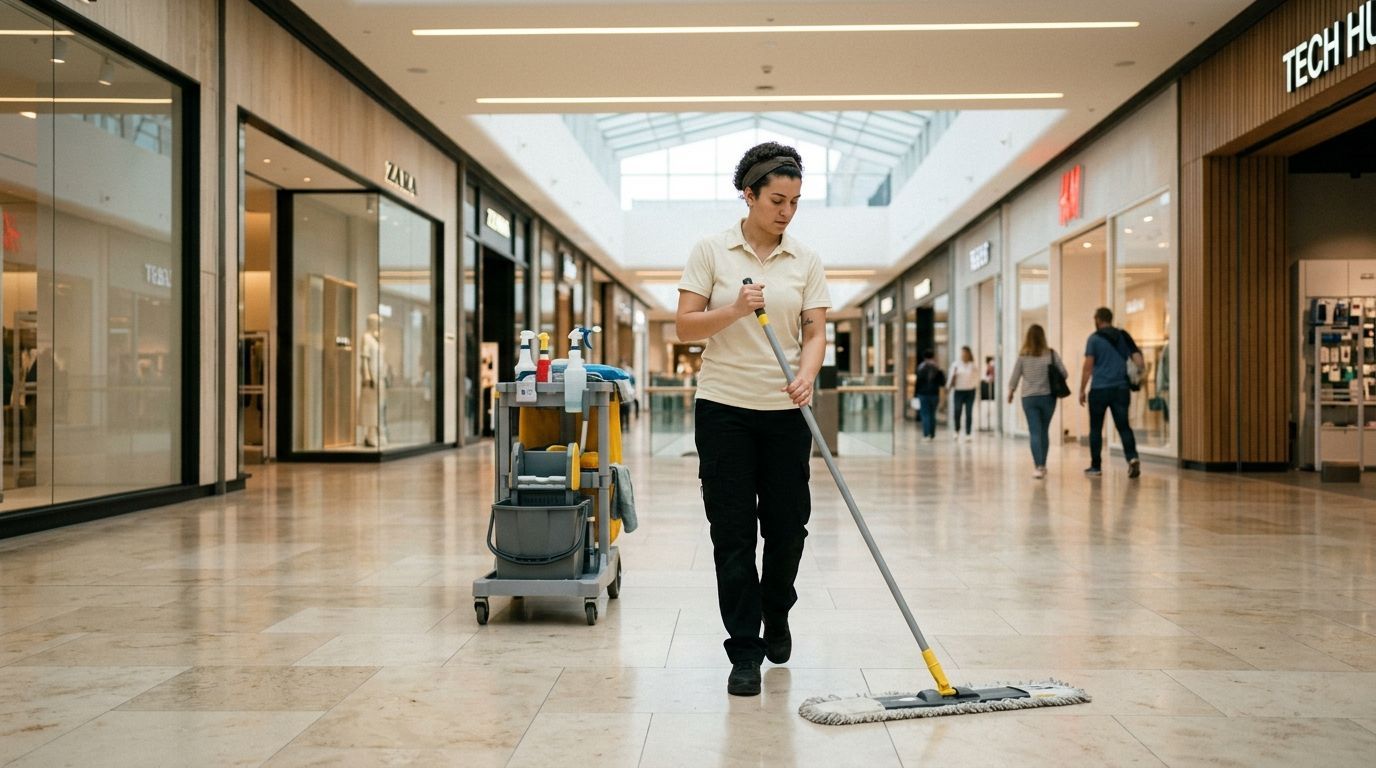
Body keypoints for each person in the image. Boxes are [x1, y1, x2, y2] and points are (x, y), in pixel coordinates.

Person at [676, 142, 830, 697]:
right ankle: (744, 648)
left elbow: (814, 332)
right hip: (723, 411)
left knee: (788, 528)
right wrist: (736, 309)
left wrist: (807, 375)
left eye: (794, 201)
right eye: (776, 200)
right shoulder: (711, 252)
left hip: (786, 411)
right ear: (749, 194)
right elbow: (685, 328)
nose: (786, 211)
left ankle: (777, 611)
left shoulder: (805, 260)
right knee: (734, 535)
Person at [1079, 306, 1143, 478]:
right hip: (1121, 389)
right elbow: (1139, 361)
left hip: (1099, 390)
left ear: (1098, 319)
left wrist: (1081, 390)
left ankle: (1096, 467)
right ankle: (1132, 458)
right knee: (1123, 426)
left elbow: (1087, 368)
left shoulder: (1094, 339)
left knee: (1096, 428)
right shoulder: (1123, 335)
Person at [1007, 324, 1068, 479]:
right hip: (1048, 397)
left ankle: (1038, 466)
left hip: (1029, 398)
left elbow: (1015, 376)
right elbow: (1064, 373)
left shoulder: (1023, 356)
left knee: (1034, 431)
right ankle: (1043, 465)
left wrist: (1010, 392)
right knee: (1043, 431)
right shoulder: (1051, 354)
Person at [948, 346, 979, 442]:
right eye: (962, 353)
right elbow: (950, 378)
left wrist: (975, 387)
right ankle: (956, 430)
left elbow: (976, 378)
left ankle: (968, 433)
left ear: (969, 354)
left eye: (965, 353)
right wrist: (948, 387)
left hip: (970, 391)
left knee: (968, 412)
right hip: (959, 391)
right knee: (957, 411)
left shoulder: (972, 365)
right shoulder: (956, 365)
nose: (963, 354)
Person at [913, 349, 945, 440]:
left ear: (924, 357)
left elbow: (918, 383)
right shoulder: (937, 368)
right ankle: (932, 434)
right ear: (933, 356)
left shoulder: (921, 367)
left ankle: (926, 434)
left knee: (925, 414)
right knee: (932, 414)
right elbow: (942, 382)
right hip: (934, 394)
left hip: (923, 394)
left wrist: (915, 395)